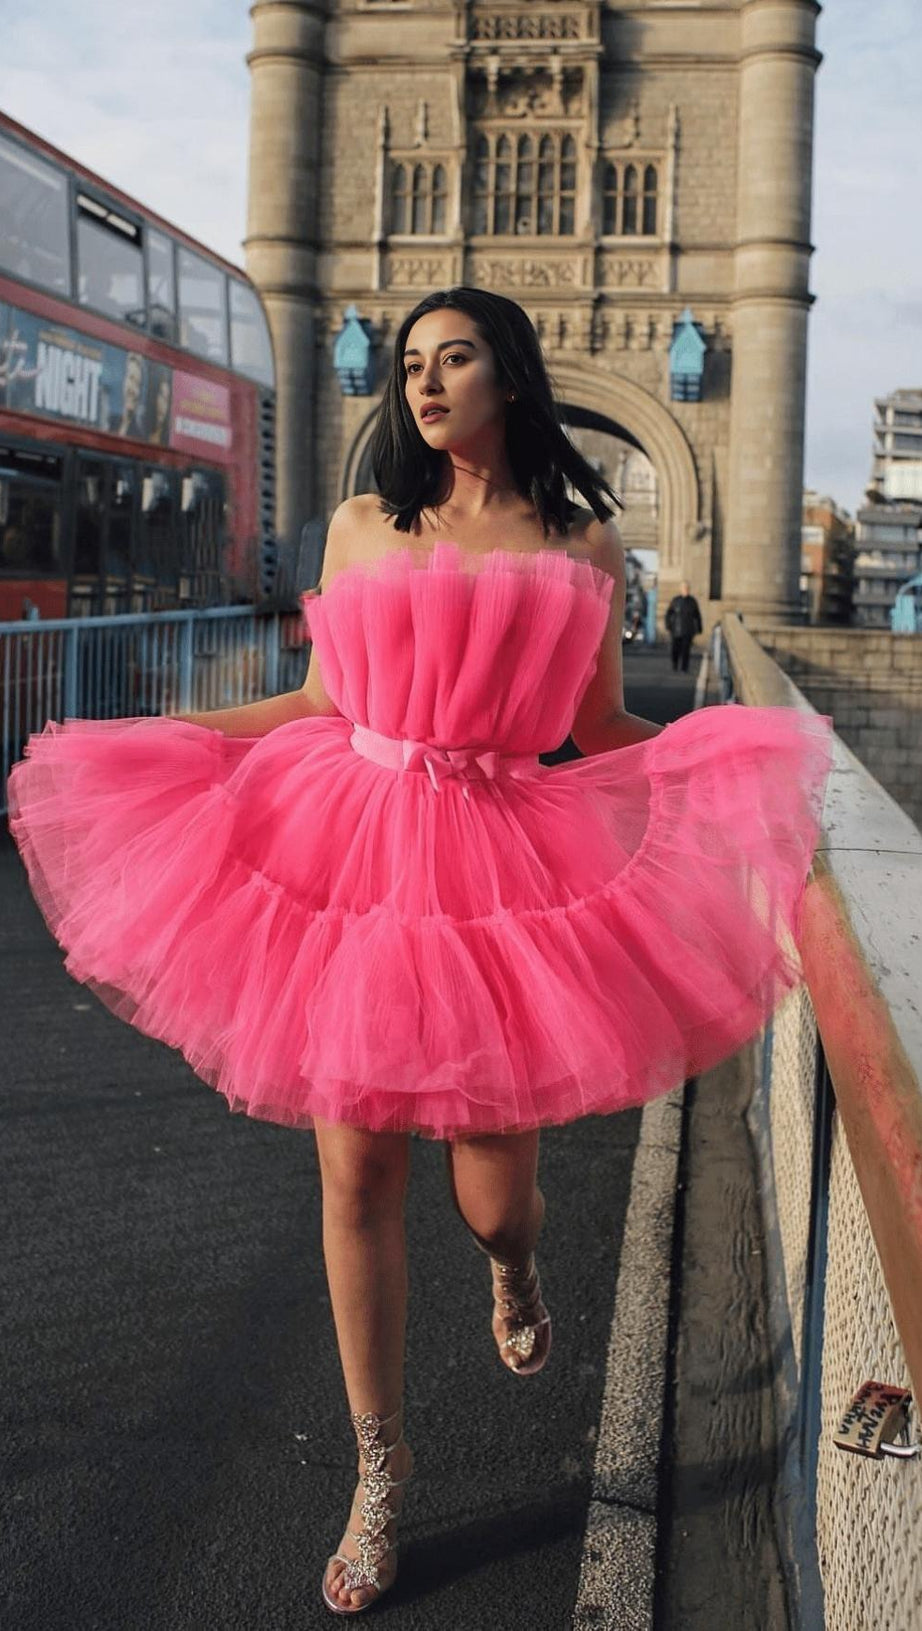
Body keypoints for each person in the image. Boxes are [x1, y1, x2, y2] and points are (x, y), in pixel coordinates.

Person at [7, 286, 835, 1617]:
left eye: (453, 358)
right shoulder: (359, 521)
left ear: (509, 373)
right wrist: (185, 733)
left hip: (500, 850)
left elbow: (595, 723)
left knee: (494, 1196)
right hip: (349, 835)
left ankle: (513, 1261)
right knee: (355, 1172)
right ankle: (379, 1466)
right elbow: (325, 701)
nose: (425, 383)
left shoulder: (579, 534)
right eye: (409, 364)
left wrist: (730, 762)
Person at [665, 579, 703, 671]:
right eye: (684, 588)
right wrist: (668, 625)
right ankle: (675, 664)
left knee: (686, 650)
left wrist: (699, 628)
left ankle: (684, 667)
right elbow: (669, 614)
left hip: (688, 629)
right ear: (681, 589)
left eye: (687, 588)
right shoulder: (675, 600)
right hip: (676, 629)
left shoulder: (692, 601)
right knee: (675, 649)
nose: (686, 590)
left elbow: (697, 615)